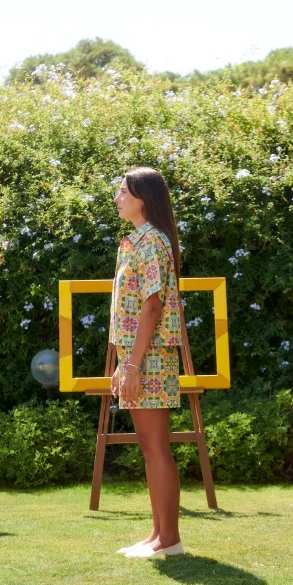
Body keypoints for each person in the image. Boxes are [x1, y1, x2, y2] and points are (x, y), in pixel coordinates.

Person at [108, 167, 185, 558]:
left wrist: (134, 367)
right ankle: (157, 535)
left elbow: (152, 308)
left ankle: (169, 540)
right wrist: (122, 365)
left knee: (156, 449)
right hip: (138, 358)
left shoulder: (152, 241)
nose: (117, 198)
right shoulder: (134, 242)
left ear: (144, 198)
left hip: (150, 360)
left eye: (124, 191)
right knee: (150, 449)